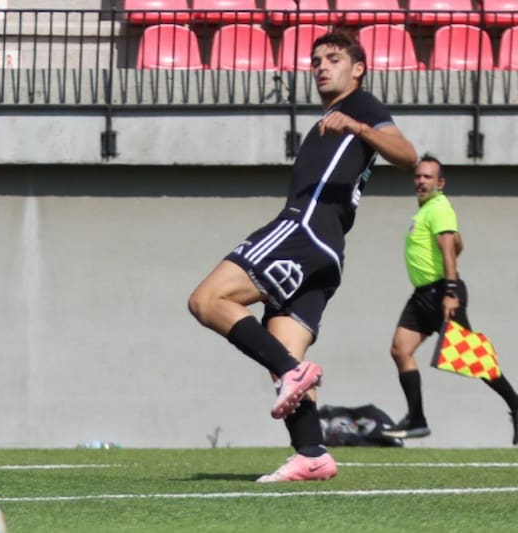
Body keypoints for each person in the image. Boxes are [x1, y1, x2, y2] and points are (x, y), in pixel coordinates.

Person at [188, 30, 417, 482]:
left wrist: (357, 126)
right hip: (327, 251)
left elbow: (408, 156)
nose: (320, 66)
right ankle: (312, 452)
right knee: (283, 351)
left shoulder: (360, 107)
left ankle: (295, 373)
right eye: (315, 60)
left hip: (303, 230)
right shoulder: (332, 116)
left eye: (333, 58)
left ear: (358, 69)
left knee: (208, 301)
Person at [380, 155, 518, 444]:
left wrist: (451, 290)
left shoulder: (439, 208)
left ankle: (516, 407)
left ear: (440, 183)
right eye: (418, 176)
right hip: (422, 295)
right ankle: (416, 419)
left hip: (442, 293)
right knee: (400, 349)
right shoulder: (428, 210)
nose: (421, 181)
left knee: (472, 358)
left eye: (427, 177)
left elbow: (448, 250)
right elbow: (457, 244)